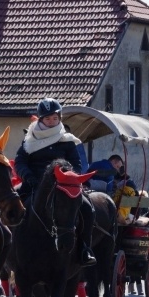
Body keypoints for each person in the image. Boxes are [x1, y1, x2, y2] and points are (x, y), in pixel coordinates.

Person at [14, 97, 96, 266]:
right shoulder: (29, 139)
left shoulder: (67, 140)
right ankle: (10, 248)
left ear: (60, 119)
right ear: (41, 119)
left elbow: (77, 163)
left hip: (64, 187)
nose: (52, 122)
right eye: (47, 118)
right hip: (34, 183)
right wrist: (28, 176)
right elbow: (20, 162)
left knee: (87, 209)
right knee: (11, 206)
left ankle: (84, 249)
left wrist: (69, 178)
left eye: (55, 118)